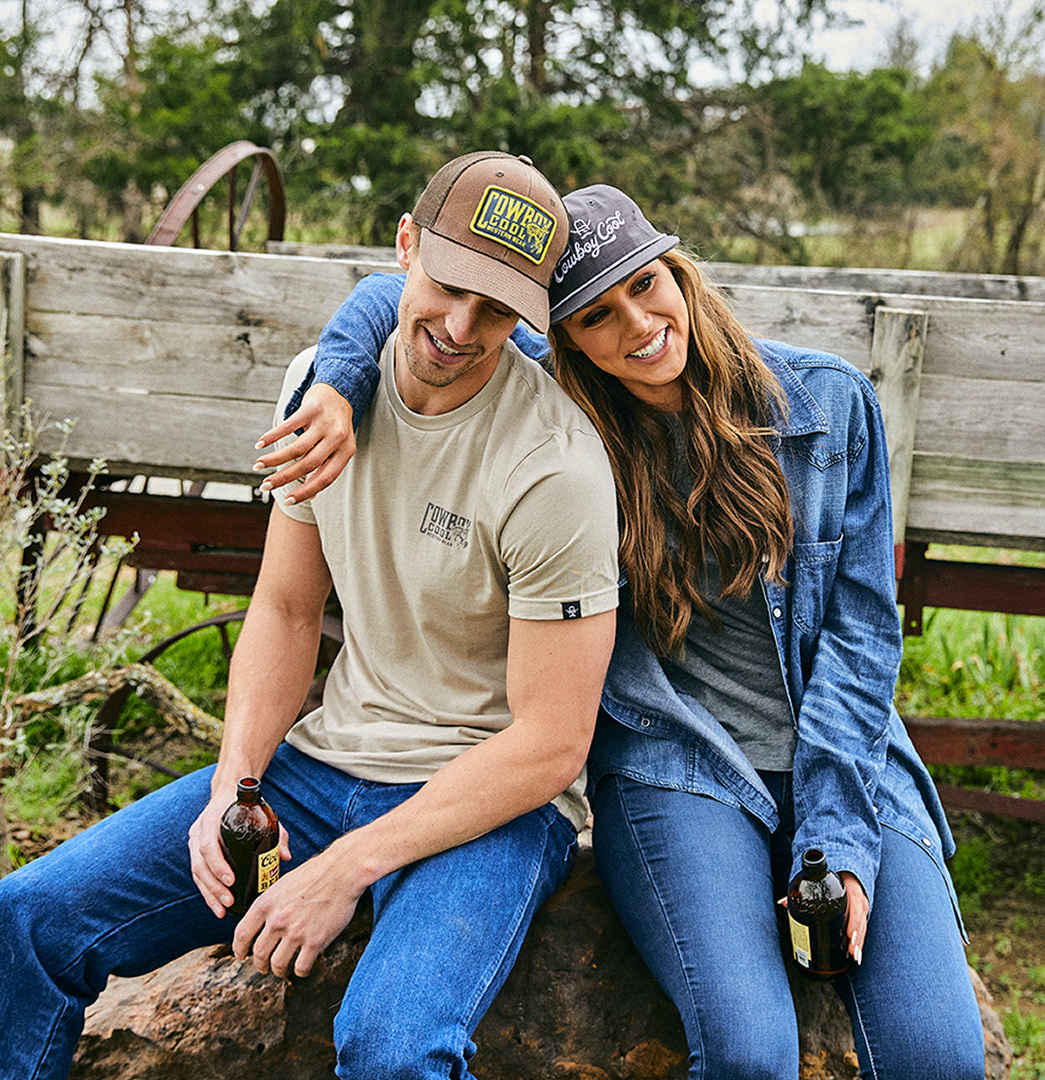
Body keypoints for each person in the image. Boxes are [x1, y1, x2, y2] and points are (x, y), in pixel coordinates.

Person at [255, 184, 987, 1079]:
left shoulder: (828, 407)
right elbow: (397, 293)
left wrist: (838, 837)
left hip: (847, 756)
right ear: (564, 338)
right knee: (752, 1054)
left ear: (679, 271)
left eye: (648, 286)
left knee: (937, 1058)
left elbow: (863, 639)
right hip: (676, 756)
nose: (637, 325)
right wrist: (337, 383)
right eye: (598, 316)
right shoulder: (571, 425)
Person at [0, 152, 621, 1080]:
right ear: (405, 245)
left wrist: (345, 866)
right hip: (324, 765)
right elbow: (282, 606)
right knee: (30, 916)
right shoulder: (323, 389)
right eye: (448, 285)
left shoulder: (556, 467)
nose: (462, 328)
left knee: (392, 1049)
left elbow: (553, 744)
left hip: (489, 804)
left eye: (499, 308)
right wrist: (234, 785)